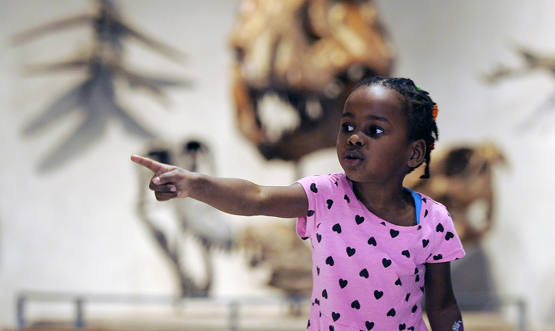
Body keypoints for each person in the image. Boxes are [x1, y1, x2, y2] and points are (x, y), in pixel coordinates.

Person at [131, 76, 465, 331]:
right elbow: (256, 197)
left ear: (415, 152)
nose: (353, 137)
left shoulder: (434, 220)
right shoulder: (326, 195)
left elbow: (443, 305)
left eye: (374, 130)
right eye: (347, 126)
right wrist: (195, 184)